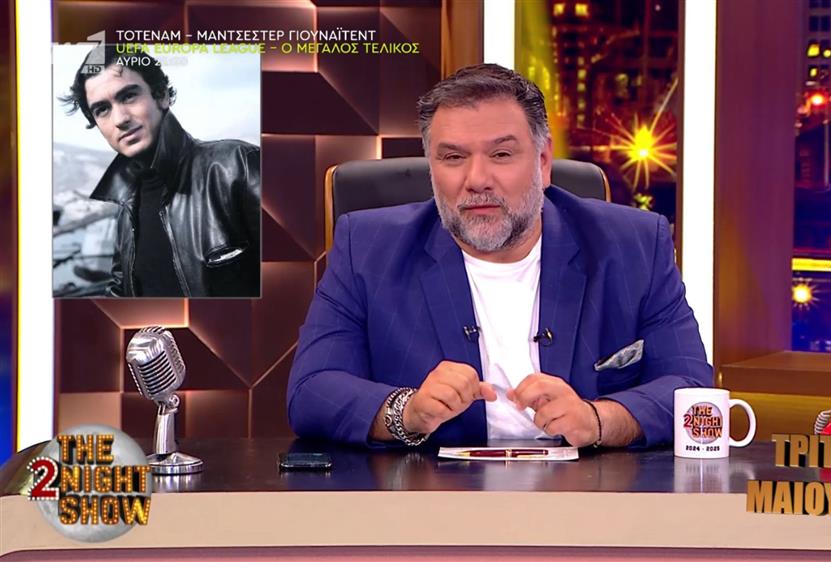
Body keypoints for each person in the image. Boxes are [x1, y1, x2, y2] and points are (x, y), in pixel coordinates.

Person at [288, 64, 711, 448]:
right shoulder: (366, 248)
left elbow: (692, 388)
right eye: (453, 157)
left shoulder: (635, 245)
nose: (477, 179)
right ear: (431, 167)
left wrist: (598, 420)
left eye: (501, 155)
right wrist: (406, 412)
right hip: (431, 495)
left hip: (589, 496)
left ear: (542, 163)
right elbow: (311, 390)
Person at [60, 45, 260, 297]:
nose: (120, 119)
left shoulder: (237, 165)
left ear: (161, 95)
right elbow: (121, 292)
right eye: (102, 109)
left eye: (128, 96)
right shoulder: (127, 205)